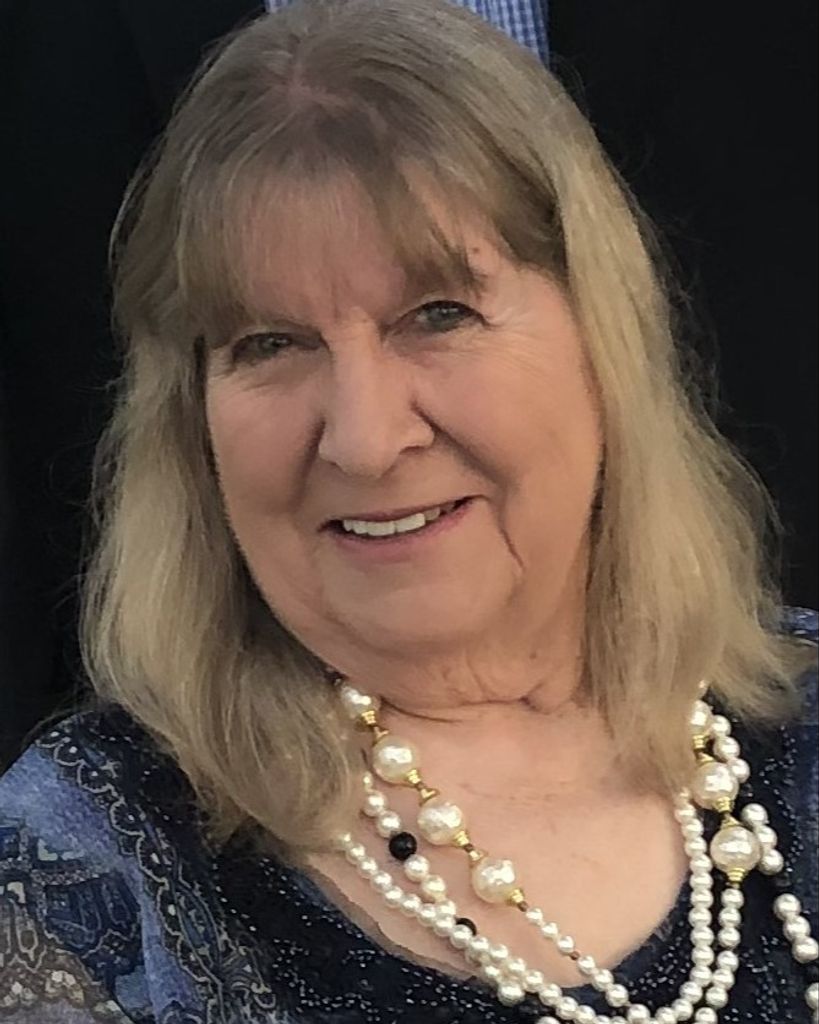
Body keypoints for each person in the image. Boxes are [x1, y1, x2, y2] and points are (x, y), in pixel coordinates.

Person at [0, 1, 816, 1021]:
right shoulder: (76, 874)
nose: (365, 438)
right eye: (270, 344)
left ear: (603, 340)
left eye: (438, 315)